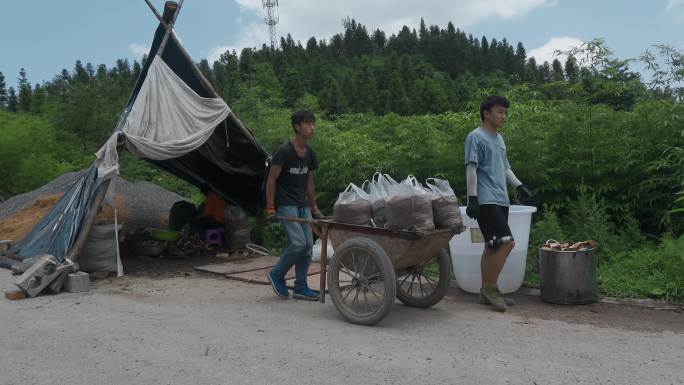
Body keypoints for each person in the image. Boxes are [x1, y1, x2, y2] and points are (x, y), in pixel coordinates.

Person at [464, 96, 533, 312]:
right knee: (507, 243)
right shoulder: (475, 137)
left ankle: (486, 290)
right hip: (485, 199)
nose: (504, 116)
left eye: (505, 113)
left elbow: (505, 168)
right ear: (486, 113)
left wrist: (519, 186)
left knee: (492, 245)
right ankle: (491, 289)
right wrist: (473, 198)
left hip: (501, 198)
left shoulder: (499, 138)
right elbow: (471, 168)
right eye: (500, 112)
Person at [264, 110, 325, 300]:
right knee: (298, 243)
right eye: (308, 123)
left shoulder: (310, 153)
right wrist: (270, 207)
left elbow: (309, 181)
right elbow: (271, 180)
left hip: (303, 204)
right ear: (297, 126)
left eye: (313, 123)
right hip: (285, 203)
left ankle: (300, 286)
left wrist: (314, 206)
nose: (312, 127)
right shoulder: (284, 151)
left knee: (307, 246)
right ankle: (276, 274)